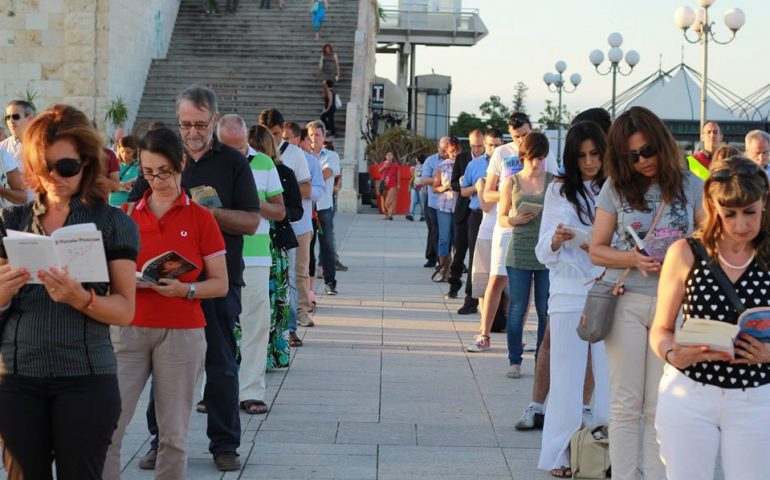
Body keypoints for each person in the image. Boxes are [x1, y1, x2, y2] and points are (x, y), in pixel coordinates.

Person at [0, 104, 139, 479]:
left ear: (86, 164)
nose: (54, 177)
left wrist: (82, 299)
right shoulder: (11, 221)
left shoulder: (113, 224)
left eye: (66, 167)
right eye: (44, 166)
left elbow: (126, 309)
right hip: (16, 377)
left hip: (86, 377)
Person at [129, 85, 261, 472]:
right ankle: (160, 442)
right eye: (185, 123)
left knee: (220, 363)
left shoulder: (234, 163)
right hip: (163, 286)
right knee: (162, 365)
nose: (192, 131)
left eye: (200, 124)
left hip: (219, 279)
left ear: (215, 121)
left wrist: (205, 213)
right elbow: (135, 209)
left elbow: (252, 220)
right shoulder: (163, 160)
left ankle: (224, 444)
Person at [103, 127, 228, 480]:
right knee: (108, 427)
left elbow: (220, 284)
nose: (157, 181)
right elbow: (110, 275)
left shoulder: (201, 218)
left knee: (172, 435)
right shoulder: (126, 215)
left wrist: (186, 291)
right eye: (148, 172)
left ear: (181, 165)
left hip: (182, 331)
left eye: (165, 172)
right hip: (129, 328)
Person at [589, 106, 704, 480]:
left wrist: (687, 252)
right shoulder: (615, 187)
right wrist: (631, 258)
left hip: (675, 307)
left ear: (662, 144)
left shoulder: (690, 185)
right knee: (625, 404)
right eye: (632, 156)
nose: (642, 161)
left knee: (660, 405)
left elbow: (710, 239)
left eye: (648, 151)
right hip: (627, 301)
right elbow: (596, 249)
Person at [650, 155, 770, 479]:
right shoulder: (685, 252)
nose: (741, 224)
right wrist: (674, 353)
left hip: (756, 395)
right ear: (713, 206)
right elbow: (660, 329)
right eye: (729, 214)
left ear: (764, 204)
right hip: (689, 392)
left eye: (750, 212)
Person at [535, 121, 610, 478]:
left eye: (595, 153)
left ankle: (607, 452)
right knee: (566, 376)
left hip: (608, 290)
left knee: (610, 377)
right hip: (566, 292)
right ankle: (560, 455)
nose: (589, 161)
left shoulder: (617, 187)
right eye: (581, 155)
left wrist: (583, 237)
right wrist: (554, 239)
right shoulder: (559, 190)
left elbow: (614, 243)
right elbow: (542, 249)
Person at [469, 113, 557, 359]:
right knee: (497, 278)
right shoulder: (502, 153)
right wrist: (514, 193)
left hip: (535, 229)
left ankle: (517, 339)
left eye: (524, 135)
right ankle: (484, 334)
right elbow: (488, 193)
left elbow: (555, 187)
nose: (520, 141)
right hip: (507, 225)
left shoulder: (543, 154)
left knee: (528, 291)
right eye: (516, 136)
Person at [221, 115, 285, 416]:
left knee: (255, 326)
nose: (236, 155)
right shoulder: (209, 163)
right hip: (216, 255)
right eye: (228, 149)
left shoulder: (264, 164)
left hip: (256, 255)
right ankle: (214, 390)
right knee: (216, 327)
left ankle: (251, 391)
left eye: (240, 147)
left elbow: (281, 211)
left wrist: (253, 201)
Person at [498, 132, 552, 381]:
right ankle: (514, 360)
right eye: (532, 158)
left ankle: (542, 358)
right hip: (519, 249)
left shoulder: (554, 182)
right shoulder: (512, 181)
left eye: (540, 158)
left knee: (545, 309)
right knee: (517, 308)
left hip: (546, 252)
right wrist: (514, 220)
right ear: (523, 157)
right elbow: (501, 216)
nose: (536, 163)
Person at [250, 125, 302, 370]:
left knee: (275, 304)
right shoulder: (240, 170)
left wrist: (272, 213)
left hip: (274, 244)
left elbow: (295, 210)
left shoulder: (283, 172)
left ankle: (274, 354)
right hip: (250, 244)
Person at [283, 121, 325, 344]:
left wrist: (300, 193)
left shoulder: (309, 161)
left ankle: (300, 310)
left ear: (298, 140)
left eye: (289, 138)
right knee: (284, 274)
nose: (285, 142)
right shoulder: (274, 160)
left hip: (301, 225)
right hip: (281, 223)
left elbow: (318, 190)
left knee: (300, 271)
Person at [462, 128, 503, 319]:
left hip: (501, 216)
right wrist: (478, 187)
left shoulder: (509, 164)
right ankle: (471, 300)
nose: (493, 148)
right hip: (478, 214)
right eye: (490, 145)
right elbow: (463, 191)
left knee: (499, 264)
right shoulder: (474, 164)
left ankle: (498, 310)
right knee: (476, 261)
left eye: (497, 145)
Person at [447, 129, 484, 307]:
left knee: (476, 255)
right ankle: (454, 285)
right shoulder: (462, 159)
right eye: (474, 146)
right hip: (463, 211)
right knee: (459, 251)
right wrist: (461, 183)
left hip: (480, 212)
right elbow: (453, 182)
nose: (477, 149)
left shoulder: (490, 161)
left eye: (480, 146)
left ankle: (472, 296)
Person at [308, 120, 340, 295]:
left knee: (326, 245)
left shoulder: (331, 156)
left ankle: (330, 282)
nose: (314, 139)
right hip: (307, 208)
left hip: (323, 206)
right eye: (311, 135)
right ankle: (308, 285)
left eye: (317, 135)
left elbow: (326, 174)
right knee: (308, 247)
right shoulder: (302, 155)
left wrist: (306, 178)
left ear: (324, 137)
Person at [432, 136, 459, 283]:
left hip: (459, 206)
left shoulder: (465, 165)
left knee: (457, 239)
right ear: (447, 152)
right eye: (450, 151)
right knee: (444, 238)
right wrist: (446, 186)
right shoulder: (442, 166)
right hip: (444, 205)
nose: (453, 154)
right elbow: (435, 188)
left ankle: (454, 270)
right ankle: (442, 269)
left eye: (455, 151)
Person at [421, 137, 449, 269]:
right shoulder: (430, 161)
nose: (445, 153)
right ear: (438, 148)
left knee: (450, 233)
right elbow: (424, 180)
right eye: (443, 150)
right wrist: (439, 180)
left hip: (451, 203)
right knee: (435, 231)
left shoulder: (455, 159)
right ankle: (434, 258)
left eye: (447, 150)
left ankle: (451, 260)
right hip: (434, 202)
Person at [108, 135, 140, 207]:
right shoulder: (114, 164)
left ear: (135, 151)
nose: (124, 155)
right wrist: (121, 185)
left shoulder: (139, 166)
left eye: (128, 152)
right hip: (113, 204)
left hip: (131, 205)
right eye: (122, 151)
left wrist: (132, 184)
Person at [378, 152, 400, 220]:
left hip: (392, 185)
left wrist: (398, 184)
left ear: (392, 156)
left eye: (390, 155)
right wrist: (384, 166)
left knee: (389, 201)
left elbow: (398, 174)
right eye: (388, 155)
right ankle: (388, 215)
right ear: (385, 156)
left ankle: (390, 214)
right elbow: (379, 171)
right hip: (384, 185)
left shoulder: (395, 165)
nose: (389, 156)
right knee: (384, 200)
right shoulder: (382, 163)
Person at [406, 154, 424, 222]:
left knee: (422, 202)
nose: (416, 160)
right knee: (413, 201)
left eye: (417, 158)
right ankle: (411, 214)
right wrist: (412, 172)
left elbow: (422, 175)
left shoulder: (424, 166)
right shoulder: (416, 166)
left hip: (421, 186)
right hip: (415, 185)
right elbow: (414, 176)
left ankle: (423, 215)